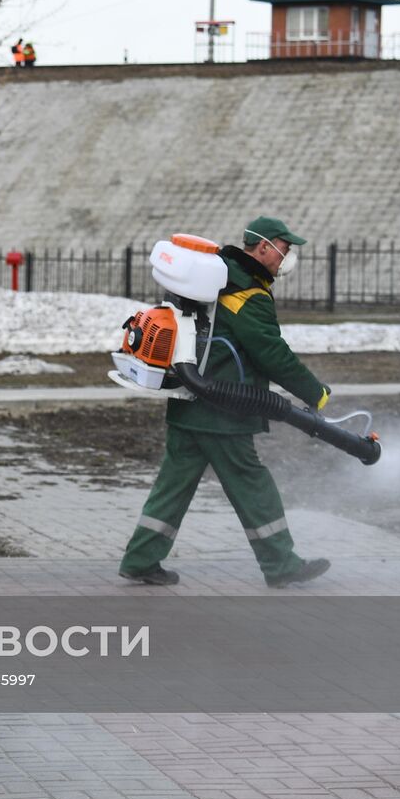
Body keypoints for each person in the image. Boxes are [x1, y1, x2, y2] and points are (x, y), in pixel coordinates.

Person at [118, 216, 332, 589]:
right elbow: (271, 353)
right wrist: (315, 392)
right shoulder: (246, 292)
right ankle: (281, 564)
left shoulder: (216, 276)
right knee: (252, 484)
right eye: (285, 248)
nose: (287, 257)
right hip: (223, 411)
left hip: (188, 401)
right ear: (264, 247)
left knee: (173, 486)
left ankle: (140, 559)